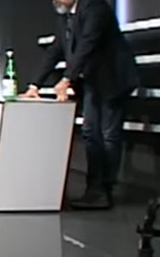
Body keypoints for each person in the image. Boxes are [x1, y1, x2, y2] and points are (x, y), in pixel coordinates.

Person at [22, 0, 139, 210]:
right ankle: (94, 189)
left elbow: (87, 44)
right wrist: (34, 85)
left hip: (113, 79)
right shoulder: (66, 17)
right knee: (90, 132)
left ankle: (103, 190)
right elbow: (55, 50)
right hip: (94, 82)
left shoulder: (95, 8)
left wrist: (67, 79)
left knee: (108, 135)